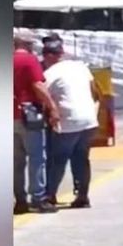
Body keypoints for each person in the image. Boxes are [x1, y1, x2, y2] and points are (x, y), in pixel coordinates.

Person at [41, 38, 101, 208]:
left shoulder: (49, 74)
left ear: (49, 56)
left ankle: (50, 196)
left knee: (57, 159)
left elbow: (43, 97)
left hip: (69, 121)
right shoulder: (81, 67)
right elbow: (95, 92)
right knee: (81, 158)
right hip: (89, 120)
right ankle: (83, 196)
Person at [14, 32, 59, 214]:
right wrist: (52, 107)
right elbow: (38, 86)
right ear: (27, 44)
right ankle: (38, 198)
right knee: (36, 157)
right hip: (29, 115)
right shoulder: (29, 60)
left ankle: (20, 200)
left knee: (16, 161)